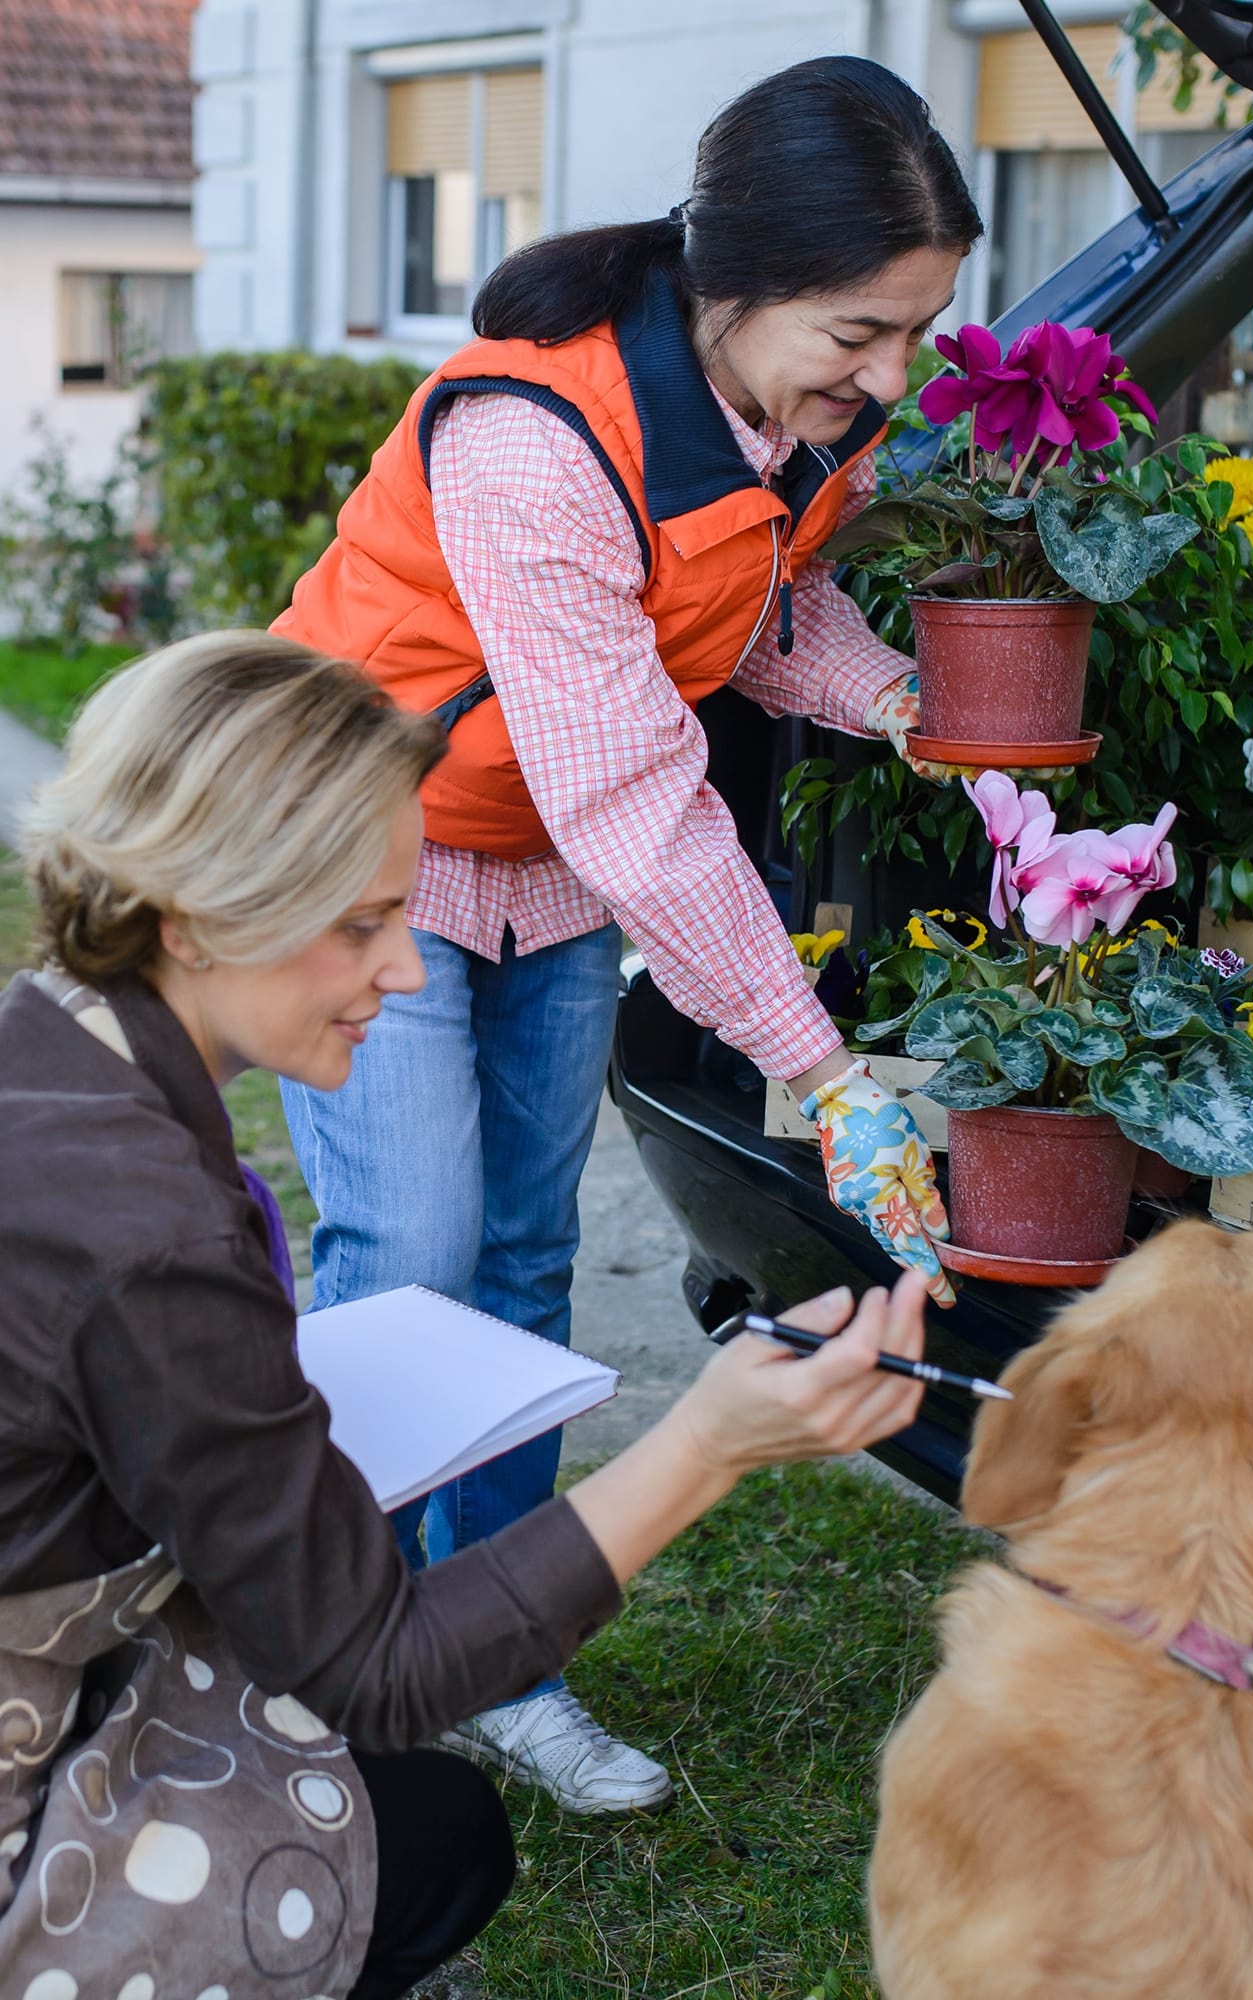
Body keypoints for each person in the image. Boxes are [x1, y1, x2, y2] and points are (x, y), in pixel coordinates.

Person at [0, 632, 933, 1999]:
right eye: (364, 921)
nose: (413, 971)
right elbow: (378, 1672)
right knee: (437, 1831)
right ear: (193, 912)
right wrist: (709, 1444)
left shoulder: (49, 1037)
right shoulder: (152, 1236)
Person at [269, 53, 981, 1809]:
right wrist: (817, 1070)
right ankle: (321, 1675)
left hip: (554, 887)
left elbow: (749, 609)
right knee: (409, 1255)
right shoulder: (533, 434)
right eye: (861, 330)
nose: (891, 380)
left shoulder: (778, 410)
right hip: (377, 865)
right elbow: (631, 791)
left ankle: (498, 1656)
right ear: (731, 278)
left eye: (919, 331)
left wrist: (916, 708)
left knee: (517, 1270)